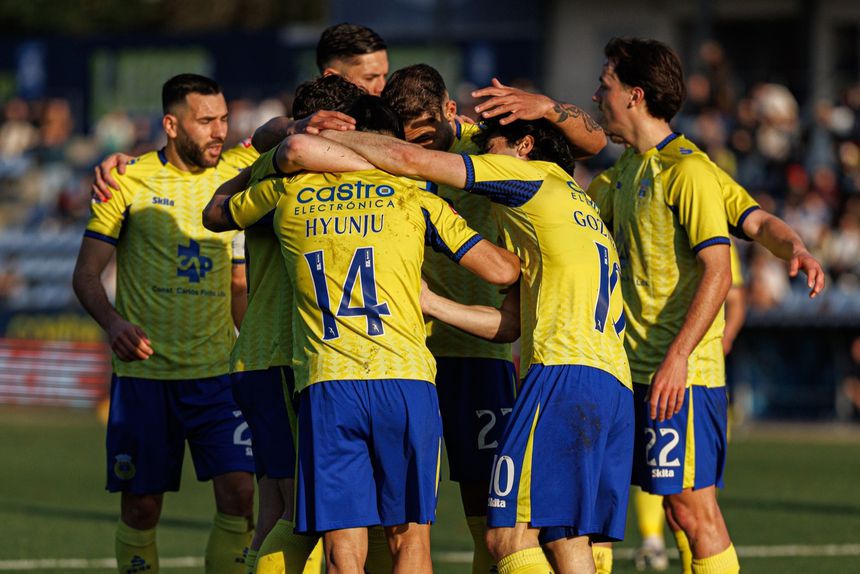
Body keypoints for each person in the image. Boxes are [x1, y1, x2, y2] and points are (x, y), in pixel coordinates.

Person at [205, 95, 522, 574]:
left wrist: (270, 152)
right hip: (406, 381)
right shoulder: (414, 195)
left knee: (340, 552)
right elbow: (500, 271)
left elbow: (217, 212)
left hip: (327, 384)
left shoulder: (288, 193)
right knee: (409, 542)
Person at [311, 112, 633, 574]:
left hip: (564, 374)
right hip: (611, 383)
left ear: (523, 147)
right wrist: (431, 302)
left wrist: (329, 137)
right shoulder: (569, 207)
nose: (482, 159)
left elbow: (409, 159)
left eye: (490, 148)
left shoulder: (529, 177)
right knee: (566, 539)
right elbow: (509, 325)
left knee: (507, 537)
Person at [379, 63, 608, 574]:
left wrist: (548, 107)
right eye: (410, 140)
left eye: (430, 136)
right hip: (399, 353)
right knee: (393, 522)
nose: (424, 151)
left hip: (478, 353)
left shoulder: (488, 145)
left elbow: (590, 143)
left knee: (491, 518)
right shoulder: (385, 151)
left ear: (451, 113)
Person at [72, 73, 257, 574]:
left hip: (219, 375)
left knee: (241, 495)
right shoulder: (126, 180)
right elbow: (86, 275)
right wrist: (112, 325)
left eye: (223, 119)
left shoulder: (239, 168)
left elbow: (282, 137)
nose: (219, 131)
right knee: (141, 507)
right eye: (205, 121)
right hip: (145, 379)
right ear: (171, 125)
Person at [588, 37, 742, 574]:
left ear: (633, 95)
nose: (595, 94)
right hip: (631, 369)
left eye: (604, 85)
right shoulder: (627, 171)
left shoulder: (689, 170)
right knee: (623, 509)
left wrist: (677, 358)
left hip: (681, 373)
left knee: (691, 512)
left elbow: (720, 273)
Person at [217, 75, 365, 574]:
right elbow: (214, 213)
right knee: (302, 512)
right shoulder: (287, 182)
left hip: (276, 358)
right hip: (283, 356)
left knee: (282, 508)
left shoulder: (271, 174)